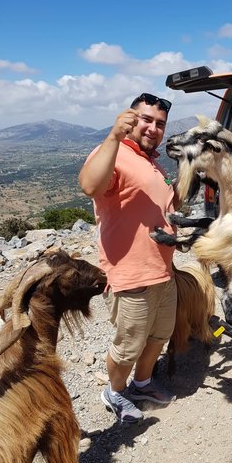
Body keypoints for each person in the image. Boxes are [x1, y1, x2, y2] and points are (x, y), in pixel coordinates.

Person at [79, 93, 178, 424]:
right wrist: (112, 136)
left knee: (158, 336)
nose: (153, 128)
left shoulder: (151, 161)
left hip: (163, 271)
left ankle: (142, 383)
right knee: (128, 346)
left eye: (159, 124)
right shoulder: (115, 153)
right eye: (146, 120)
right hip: (131, 273)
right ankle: (115, 391)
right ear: (130, 118)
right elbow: (90, 185)